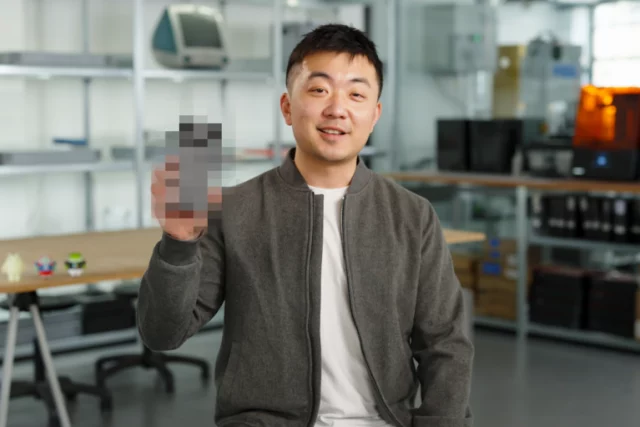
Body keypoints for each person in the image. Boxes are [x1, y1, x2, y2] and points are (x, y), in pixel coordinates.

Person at [138, 23, 474, 427]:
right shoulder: (234, 210)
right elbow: (162, 333)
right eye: (319, 90)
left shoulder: (412, 215)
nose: (337, 109)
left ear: (374, 115)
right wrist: (178, 244)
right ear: (287, 106)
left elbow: (445, 343)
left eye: (356, 94)